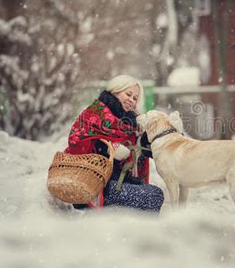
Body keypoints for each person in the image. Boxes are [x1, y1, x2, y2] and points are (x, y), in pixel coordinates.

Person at [65, 75, 164, 212]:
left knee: (154, 193)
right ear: (115, 91)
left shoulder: (128, 123)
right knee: (153, 196)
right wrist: (108, 148)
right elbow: (76, 144)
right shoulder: (93, 113)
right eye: (128, 94)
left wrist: (165, 134)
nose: (131, 100)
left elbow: (143, 148)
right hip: (93, 186)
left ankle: (132, 227)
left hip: (117, 181)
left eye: (135, 98)